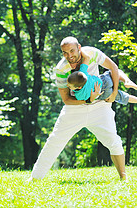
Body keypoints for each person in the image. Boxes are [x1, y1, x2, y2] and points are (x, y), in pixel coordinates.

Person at [29, 36, 128, 182]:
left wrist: (113, 94)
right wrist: (88, 99)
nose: (69, 56)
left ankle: (123, 178)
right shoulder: (61, 68)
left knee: (113, 140)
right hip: (75, 108)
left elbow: (113, 67)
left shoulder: (92, 53)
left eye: (72, 51)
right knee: (54, 141)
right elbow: (67, 100)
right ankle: (34, 179)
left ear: (79, 47)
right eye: (65, 53)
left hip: (100, 105)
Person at [67, 54, 137, 111]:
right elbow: (87, 57)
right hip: (105, 81)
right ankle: (126, 81)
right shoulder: (83, 72)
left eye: (70, 86)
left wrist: (94, 95)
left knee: (121, 97)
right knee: (114, 71)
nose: (67, 85)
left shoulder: (78, 95)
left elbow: (89, 101)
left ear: (79, 87)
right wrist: (79, 50)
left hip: (104, 94)